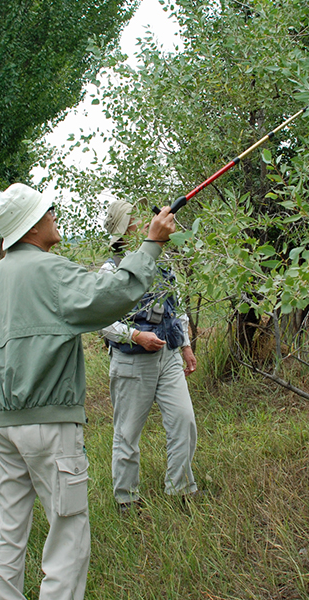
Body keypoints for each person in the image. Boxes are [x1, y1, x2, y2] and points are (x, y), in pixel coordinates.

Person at [0, 183, 177, 600]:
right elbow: (111, 297)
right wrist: (151, 243)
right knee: (68, 530)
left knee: (9, 529)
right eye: (48, 211)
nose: (54, 216)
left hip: (2, 428)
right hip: (50, 426)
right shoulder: (51, 271)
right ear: (32, 225)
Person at [100, 199, 200, 513]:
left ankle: (181, 489)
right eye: (136, 217)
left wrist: (184, 345)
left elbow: (177, 306)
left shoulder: (164, 261)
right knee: (127, 431)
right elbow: (102, 320)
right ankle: (126, 498)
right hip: (132, 361)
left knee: (184, 419)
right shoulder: (111, 269)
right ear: (123, 228)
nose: (146, 220)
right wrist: (135, 336)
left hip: (168, 356)